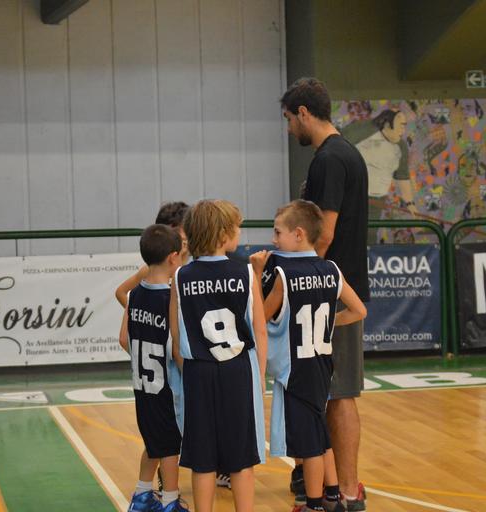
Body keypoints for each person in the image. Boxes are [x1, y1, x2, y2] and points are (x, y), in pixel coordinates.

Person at [280, 77, 369, 511]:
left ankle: (348, 491)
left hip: (330, 292)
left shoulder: (330, 159)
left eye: (288, 119)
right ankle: (327, 485)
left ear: (303, 113)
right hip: (331, 288)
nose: (288, 129)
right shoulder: (343, 153)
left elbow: (325, 233)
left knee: (339, 393)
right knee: (324, 392)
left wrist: (303, 280)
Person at [250, 200, 367, 512]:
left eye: (278, 232)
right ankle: (333, 496)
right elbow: (359, 311)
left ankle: (313, 504)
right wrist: (330, 323)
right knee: (320, 433)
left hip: (296, 368)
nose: (273, 239)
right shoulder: (332, 269)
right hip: (321, 364)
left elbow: (260, 317)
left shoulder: (283, 274)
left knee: (310, 443)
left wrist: (257, 273)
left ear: (298, 234)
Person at [169, 200, 267, 512]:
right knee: (241, 458)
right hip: (237, 369)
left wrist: (189, 369)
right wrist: (259, 375)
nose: (239, 233)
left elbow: (176, 336)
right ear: (223, 234)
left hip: (198, 370)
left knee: (203, 460)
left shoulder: (180, 276)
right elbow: (260, 330)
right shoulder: (245, 273)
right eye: (236, 228)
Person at [118, 224, 189, 512]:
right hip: (166, 385)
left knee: (154, 440)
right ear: (173, 257)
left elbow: (124, 339)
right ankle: (170, 501)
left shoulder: (135, 295)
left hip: (142, 385)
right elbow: (177, 350)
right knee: (170, 445)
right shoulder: (171, 299)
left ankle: (142, 495)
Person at [116, 202, 190, 307]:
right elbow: (121, 292)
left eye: (179, 232)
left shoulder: (196, 266)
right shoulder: (151, 270)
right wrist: (133, 314)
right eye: (172, 232)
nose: (177, 237)